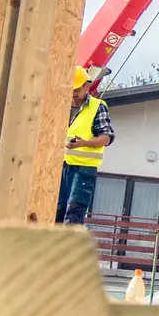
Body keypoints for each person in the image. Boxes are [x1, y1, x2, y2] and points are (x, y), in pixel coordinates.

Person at [58, 66, 114, 225]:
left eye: (77, 89)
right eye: (71, 89)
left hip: (83, 170)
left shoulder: (97, 107)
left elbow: (106, 137)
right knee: (56, 211)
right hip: (60, 167)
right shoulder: (59, 105)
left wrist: (84, 143)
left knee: (73, 214)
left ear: (86, 86)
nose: (73, 93)